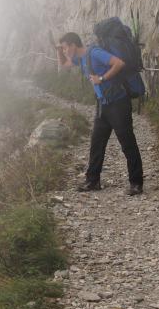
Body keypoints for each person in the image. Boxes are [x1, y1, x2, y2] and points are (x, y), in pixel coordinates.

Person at [56, 31, 144, 196]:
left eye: (66, 47)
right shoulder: (80, 58)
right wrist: (58, 50)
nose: (65, 50)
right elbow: (64, 65)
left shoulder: (94, 53)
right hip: (103, 105)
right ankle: (92, 181)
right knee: (96, 143)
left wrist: (101, 79)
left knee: (127, 143)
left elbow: (119, 63)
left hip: (118, 103)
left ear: (74, 45)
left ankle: (136, 183)